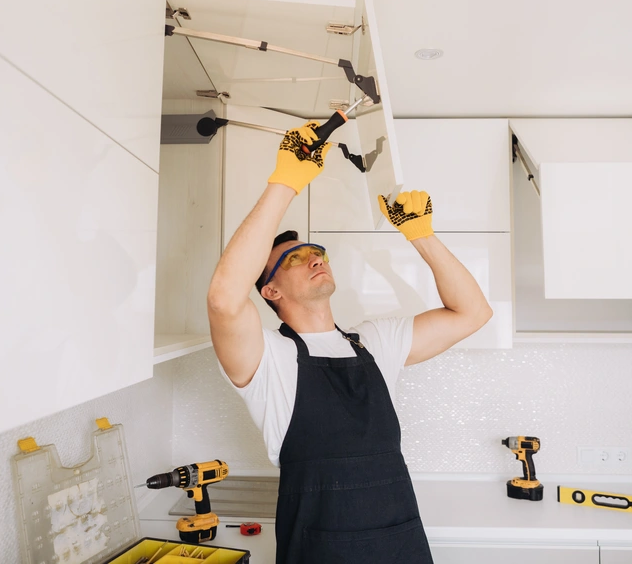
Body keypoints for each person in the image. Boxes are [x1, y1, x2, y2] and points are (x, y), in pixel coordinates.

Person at [207, 122, 493, 564]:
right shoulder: (269, 360)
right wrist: (285, 183)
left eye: (314, 250)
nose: (313, 257)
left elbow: (473, 313)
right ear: (270, 292)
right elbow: (224, 300)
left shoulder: (374, 343)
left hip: (401, 545)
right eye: (293, 258)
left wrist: (422, 237)